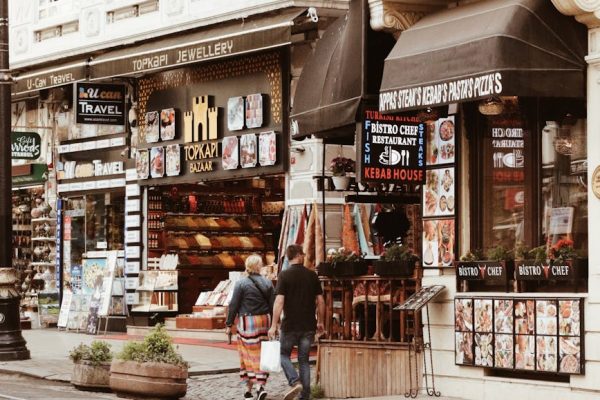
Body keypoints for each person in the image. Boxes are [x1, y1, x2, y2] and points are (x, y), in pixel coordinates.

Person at [268, 244, 325, 400]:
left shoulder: (284, 275)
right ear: (298, 255)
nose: (305, 256)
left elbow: (279, 301)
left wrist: (274, 324)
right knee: (304, 360)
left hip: (290, 325)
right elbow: (320, 301)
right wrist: (321, 322)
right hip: (308, 325)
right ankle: (304, 396)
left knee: (283, 354)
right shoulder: (312, 275)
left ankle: (294, 381)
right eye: (303, 254)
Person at [226, 254, 274, 400]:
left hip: (248, 322)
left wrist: (229, 323)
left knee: (247, 354)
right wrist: (275, 324)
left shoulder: (241, 284)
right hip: (264, 320)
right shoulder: (267, 283)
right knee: (262, 354)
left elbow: (233, 305)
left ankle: (251, 389)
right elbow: (273, 305)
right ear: (259, 266)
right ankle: (259, 387)